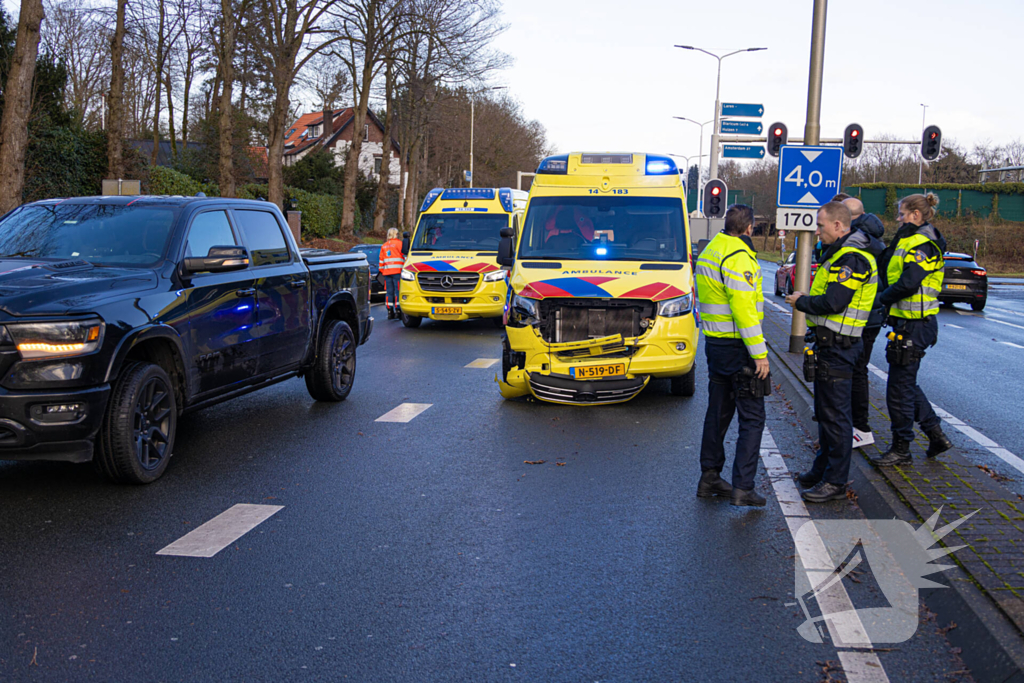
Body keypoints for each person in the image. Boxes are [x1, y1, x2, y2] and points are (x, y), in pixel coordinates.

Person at [786, 202, 878, 503]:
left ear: (839, 226)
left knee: (836, 418)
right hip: (832, 345)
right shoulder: (840, 254)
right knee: (826, 415)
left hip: (841, 347)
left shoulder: (853, 258)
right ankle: (822, 470)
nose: (817, 230)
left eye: (821, 225)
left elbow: (835, 301)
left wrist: (802, 301)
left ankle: (836, 482)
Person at [694, 204, 769, 507]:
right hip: (739, 347)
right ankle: (743, 487)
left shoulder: (712, 249)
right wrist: (760, 354)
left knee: (718, 413)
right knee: (752, 418)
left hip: (715, 344)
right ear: (749, 228)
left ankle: (709, 477)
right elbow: (744, 310)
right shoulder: (738, 257)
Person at [873, 194, 953, 466]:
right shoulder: (909, 240)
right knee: (905, 385)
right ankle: (935, 435)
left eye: (902, 214)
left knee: (899, 390)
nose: (898, 219)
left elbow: (908, 282)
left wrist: (881, 299)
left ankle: (901, 448)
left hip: (916, 325)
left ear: (916, 215)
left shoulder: (923, 244)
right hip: (906, 323)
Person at [842, 197, 887, 448]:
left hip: (862, 316)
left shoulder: (859, 242)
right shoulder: (873, 239)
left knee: (856, 372)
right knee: (857, 371)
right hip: (871, 316)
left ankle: (861, 428)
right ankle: (856, 426)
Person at [379, 228, 405, 320]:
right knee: (398, 291)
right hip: (397, 272)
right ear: (395, 234)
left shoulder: (384, 246)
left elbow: (381, 261)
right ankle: (398, 311)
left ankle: (390, 311)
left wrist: (383, 271)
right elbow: (404, 257)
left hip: (387, 272)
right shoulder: (399, 244)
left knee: (389, 292)